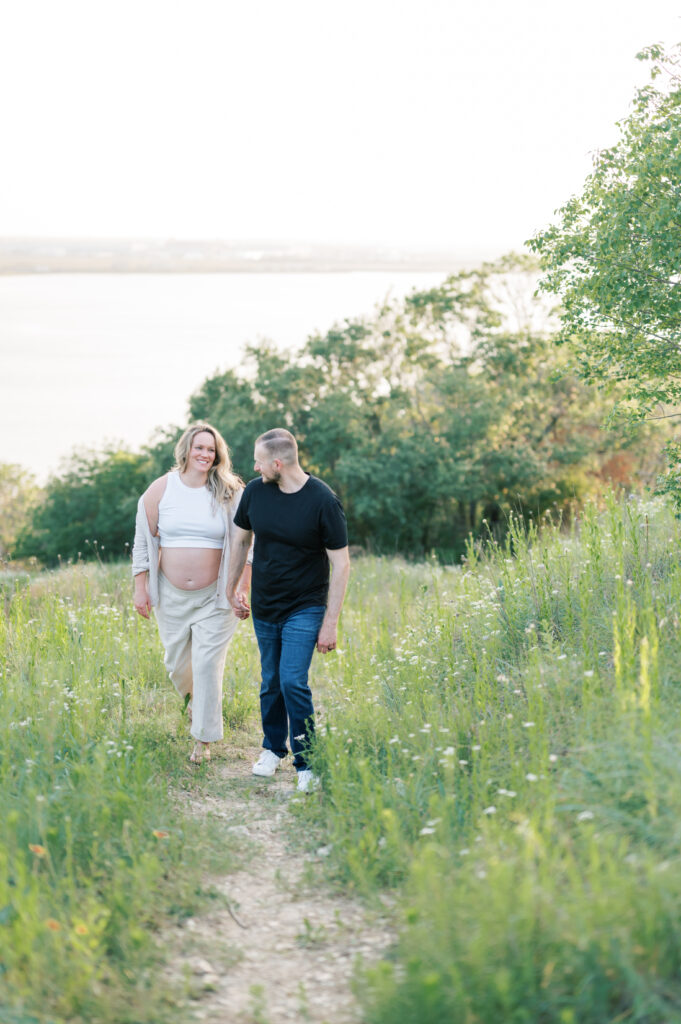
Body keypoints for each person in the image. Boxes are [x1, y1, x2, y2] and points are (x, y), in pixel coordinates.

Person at [226, 427, 350, 792]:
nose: (255, 467)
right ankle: (272, 748)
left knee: (293, 680)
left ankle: (307, 761)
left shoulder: (323, 501)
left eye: (259, 462)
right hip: (266, 605)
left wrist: (330, 623)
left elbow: (341, 564)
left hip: (305, 605)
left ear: (278, 463)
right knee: (271, 681)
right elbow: (240, 541)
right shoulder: (255, 492)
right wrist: (231, 589)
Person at [131, 423, 252, 764]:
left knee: (207, 665)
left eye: (211, 449)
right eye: (199, 447)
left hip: (217, 597)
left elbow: (248, 545)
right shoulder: (161, 489)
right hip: (171, 597)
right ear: (186, 450)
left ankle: (203, 739)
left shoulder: (230, 492)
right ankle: (198, 707)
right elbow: (142, 541)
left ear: (218, 455)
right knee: (177, 666)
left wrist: (241, 588)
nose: (205, 454)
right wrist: (140, 588)